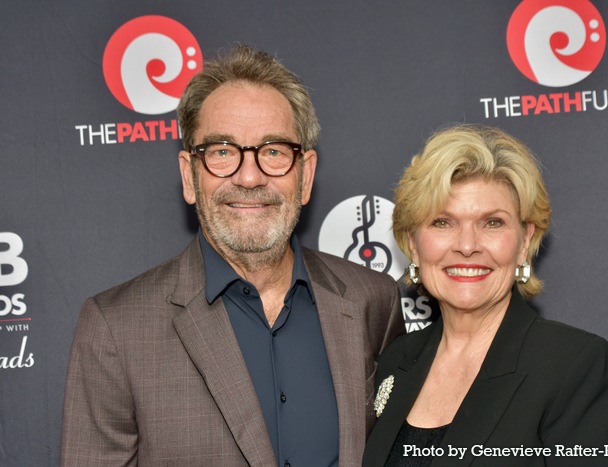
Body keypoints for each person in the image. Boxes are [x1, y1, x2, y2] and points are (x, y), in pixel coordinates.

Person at [61, 44, 405, 467]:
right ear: (189, 175)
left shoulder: (373, 300)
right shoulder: (116, 328)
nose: (249, 176)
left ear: (306, 174)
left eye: (274, 151)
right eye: (222, 151)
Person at [362, 125, 608, 466]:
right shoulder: (395, 360)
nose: (467, 246)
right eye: (442, 222)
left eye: (492, 223)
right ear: (413, 245)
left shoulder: (575, 366)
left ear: (524, 242)